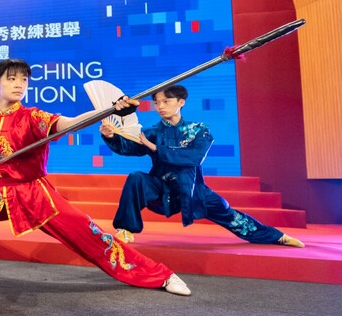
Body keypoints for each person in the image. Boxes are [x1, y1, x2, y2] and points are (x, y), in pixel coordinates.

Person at [0, 58, 191, 297]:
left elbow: (71, 122)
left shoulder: (33, 117)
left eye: (24, 80)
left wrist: (110, 110)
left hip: (34, 195)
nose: (19, 84)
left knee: (92, 236)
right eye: (12, 79)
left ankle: (160, 275)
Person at [99, 85, 304, 247]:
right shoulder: (152, 132)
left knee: (228, 213)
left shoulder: (198, 130)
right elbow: (129, 148)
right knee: (136, 178)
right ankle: (125, 229)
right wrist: (111, 137)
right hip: (161, 189)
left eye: (166, 101)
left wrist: (155, 148)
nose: (160, 106)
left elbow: (193, 157)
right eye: (156, 102)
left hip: (193, 189)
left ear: (181, 102)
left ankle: (275, 236)